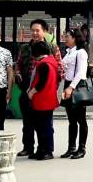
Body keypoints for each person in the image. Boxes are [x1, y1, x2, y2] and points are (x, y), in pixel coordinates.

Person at [15, 19, 64, 158]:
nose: (35, 33)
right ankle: (28, 147)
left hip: (43, 91)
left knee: (44, 122)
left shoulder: (52, 48)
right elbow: (18, 64)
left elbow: (59, 67)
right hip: (27, 89)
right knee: (28, 122)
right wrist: (18, 75)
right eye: (33, 30)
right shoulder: (25, 48)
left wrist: (53, 87)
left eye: (38, 30)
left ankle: (45, 149)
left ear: (44, 31)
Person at [27, 41, 60, 161]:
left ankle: (46, 150)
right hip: (48, 99)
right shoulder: (51, 62)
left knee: (43, 127)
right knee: (43, 126)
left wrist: (32, 91)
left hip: (43, 100)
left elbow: (42, 83)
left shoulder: (44, 64)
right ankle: (42, 149)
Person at [60, 29, 89, 159]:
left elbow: (80, 73)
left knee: (81, 119)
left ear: (75, 38)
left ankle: (81, 148)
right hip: (68, 84)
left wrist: (71, 88)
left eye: (67, 37)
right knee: (71, 120)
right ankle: (71, 147)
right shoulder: (68, 52)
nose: (65, 39)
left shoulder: (81, 52)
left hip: (76, 86)